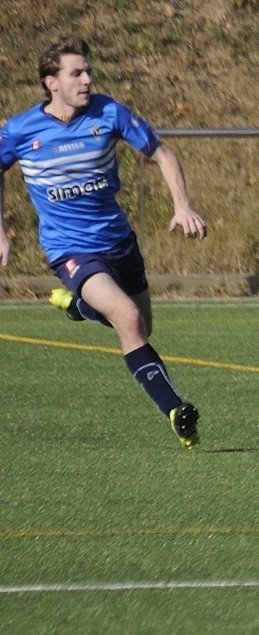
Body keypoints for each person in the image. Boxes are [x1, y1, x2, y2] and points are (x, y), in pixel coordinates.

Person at [0, 35, 207, 449]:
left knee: (141, 326)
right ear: (50, 82)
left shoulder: (108, 112)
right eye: (76, 73)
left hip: (118, 241)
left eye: (88, 71)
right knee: (128, 318)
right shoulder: (21, 131)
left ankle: (78, 305)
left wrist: (182, 205)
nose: (87, 80)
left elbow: (162, 154)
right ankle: (175, 410)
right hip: (71, 249)